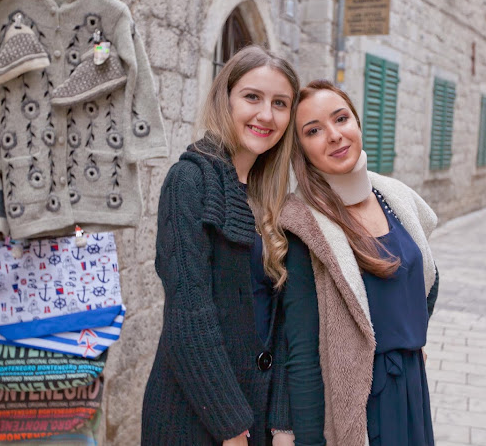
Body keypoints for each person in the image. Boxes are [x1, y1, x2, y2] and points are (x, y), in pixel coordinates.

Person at [141, 46, 298, 446]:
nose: (266, 115)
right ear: (224, 99)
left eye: (280, 103)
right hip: (196, 417)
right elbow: (189, 317)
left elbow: (281, 322)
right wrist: (231, 429)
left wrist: (282, 422)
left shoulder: (272, 198)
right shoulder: (190, 181)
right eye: (252, 97)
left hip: (259, 417)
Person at [275, 80, 440, 446]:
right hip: (363, 402)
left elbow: (425, 276)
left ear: (357, 123)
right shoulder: (304, 227)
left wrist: (409, 335)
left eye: (341, 118)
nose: (334, 135)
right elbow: (302, 352)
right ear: (301, 150)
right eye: (314, 130)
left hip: (412, 384)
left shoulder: (394, 197)